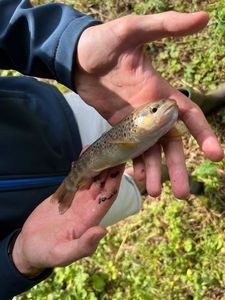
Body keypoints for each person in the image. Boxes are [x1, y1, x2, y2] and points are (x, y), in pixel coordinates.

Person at [0, 0, 224, 299]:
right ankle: (170, 182)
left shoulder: (130, 119)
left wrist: (68, 43)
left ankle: (203, 102)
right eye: (154, 110)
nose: (160, 108)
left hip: (52, 118)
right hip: (50, 218)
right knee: (130, 186)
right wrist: (15, 262)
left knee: (177, 106)